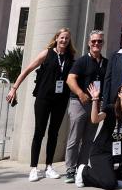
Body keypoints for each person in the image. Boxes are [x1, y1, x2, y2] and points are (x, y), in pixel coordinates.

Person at [7, 28, 76, 181]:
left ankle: (49, 166)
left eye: (67, 38)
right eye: (62, 38)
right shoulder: (47, 53)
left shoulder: (70, 57)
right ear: (56, 38)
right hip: (43, 98)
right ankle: (33, 168)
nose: (64, 41)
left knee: (54, 133)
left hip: (60, 99)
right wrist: (14, 88)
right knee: (39, 132)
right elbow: (27, 70)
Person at [76, 81, 122, 190]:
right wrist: (95, 100)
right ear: (119, 94)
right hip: (101, 152)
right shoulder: (110, 108)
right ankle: (84, 172)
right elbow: (94, 119)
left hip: (117, 151)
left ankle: (120, 178)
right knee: (109, 184)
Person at [65, 30, 107, 184]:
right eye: (94, 41)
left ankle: (81, 169)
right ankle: (70, 170)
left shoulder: (105, 62)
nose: (97, 44)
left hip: (95, 105)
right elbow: (70, 80)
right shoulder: (82, 61)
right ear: (89, 43)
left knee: (89, 139)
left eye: (100, 41)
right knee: (74, 138)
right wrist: (81, 94)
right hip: (79, 103)